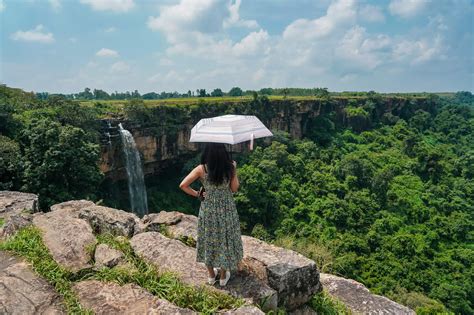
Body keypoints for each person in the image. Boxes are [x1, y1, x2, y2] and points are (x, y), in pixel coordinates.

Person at [179, 143, 243, 286]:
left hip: (208, 209)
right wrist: (234, 170)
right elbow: (234, 189)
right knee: (224, 239)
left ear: (207, 153)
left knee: (208, 239)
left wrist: (197, 194)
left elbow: (183, 185)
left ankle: (211, 275)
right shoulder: (230, 167)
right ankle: (222, 277)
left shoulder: (202, 169)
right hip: (227, 209)